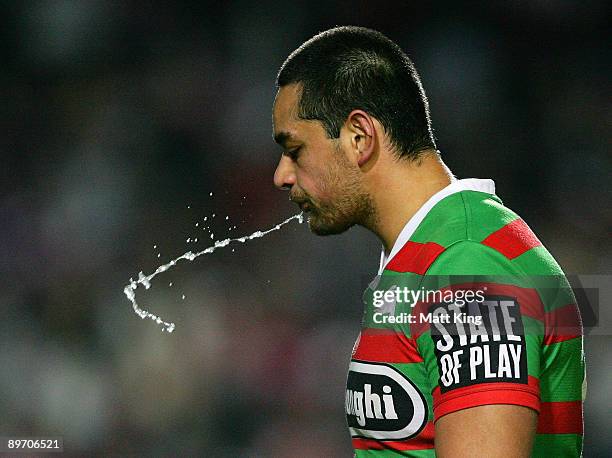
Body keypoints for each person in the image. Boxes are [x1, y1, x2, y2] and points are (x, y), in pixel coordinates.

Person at [271, 26, 584, 457]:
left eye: (295, 150)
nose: (282, 175)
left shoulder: (471, 267)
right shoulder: (423, 259)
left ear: (359, 137)